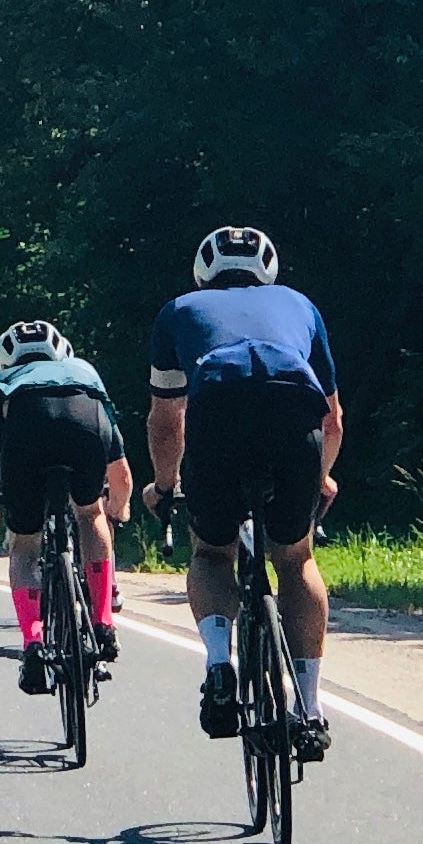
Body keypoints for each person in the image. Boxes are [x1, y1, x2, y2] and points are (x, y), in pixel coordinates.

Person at [141, 225, 341, 758]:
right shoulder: (301, 305)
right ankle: (311, 709)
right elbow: (334, 419)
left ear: (203, 271)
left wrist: (164, 487)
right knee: (295, 560)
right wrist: (319, 476)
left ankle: (218, 665)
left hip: (219, 419)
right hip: (292, 421)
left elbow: (166, 422)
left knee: (211, 552)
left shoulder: (178, 310)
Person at [0, 317, 135, 697]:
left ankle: (33, 643)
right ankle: (104, 621)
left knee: (25, 544)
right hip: (84, 420)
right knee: (89, 514)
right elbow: (120, 472)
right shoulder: (85, 374)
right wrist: (117, 509)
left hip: (27, 431)